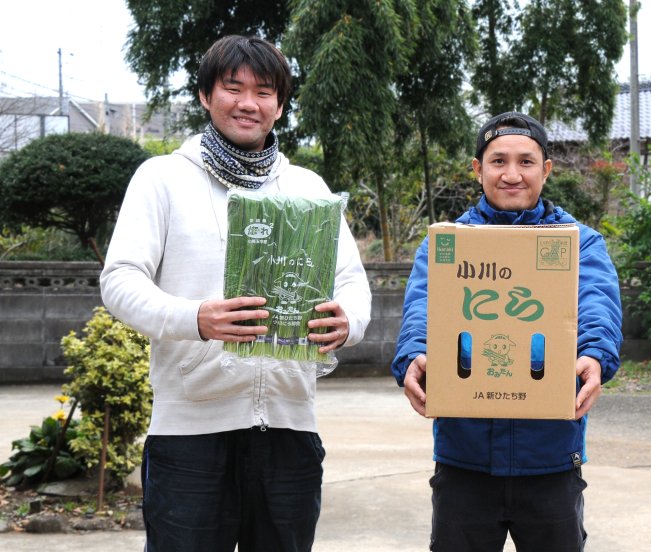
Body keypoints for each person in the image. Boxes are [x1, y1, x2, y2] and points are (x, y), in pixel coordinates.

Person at [100, 35, 372, 552]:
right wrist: (195, 318)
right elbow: (119, 280)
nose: (249, 103)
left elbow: (352, 282)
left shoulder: (308, 188)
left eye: (264, 92)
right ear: (206, 96)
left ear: (281, 105)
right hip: (189, 432)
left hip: (291, 429)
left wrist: (348, 322)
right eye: (233, 88)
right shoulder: (162, 178)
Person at [392, 112, 623, 551]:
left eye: (526, 162)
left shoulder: (579, 241)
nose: (512, 174)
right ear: (478, 169)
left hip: (551, 455)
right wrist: (414, 356)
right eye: (498, 161)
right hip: (464, 455)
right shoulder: (448, 242)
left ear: (546, 169)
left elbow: (597, 305)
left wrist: (595, 354)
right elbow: (423, 307)